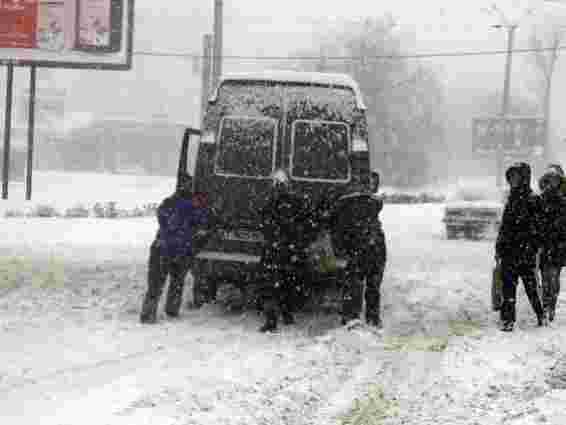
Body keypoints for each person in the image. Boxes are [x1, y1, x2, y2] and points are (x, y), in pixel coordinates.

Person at [140, 174, 217, 324]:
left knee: (155, 284)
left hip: (161, 247)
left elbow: (162, 218)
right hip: (182, 250)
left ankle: (148, 314)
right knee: (177, 282)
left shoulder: (168, 203)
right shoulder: (197, 207)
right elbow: (206, 225)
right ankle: (172, 310)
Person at [257, 169, 314, 332]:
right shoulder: (297, 202)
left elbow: (263, 225)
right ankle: (286, 315)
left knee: (272, 287)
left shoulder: (270, 203)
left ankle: (272, 321)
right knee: (287, 284)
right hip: (289, 251)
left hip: (274, 250)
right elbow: (307, 223)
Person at [330, 167, 387, 328]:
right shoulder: (373, 202)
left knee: (354, 283)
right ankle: (372, 318)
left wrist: (341, 250)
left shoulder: (345, 203)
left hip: (358, 248)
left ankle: (351, 317)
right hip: (375, 246)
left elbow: (338, 229)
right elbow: (376, 203)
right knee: (373, 286)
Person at [495, 162, 545, 332]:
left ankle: (540, 314)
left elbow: (539, 227)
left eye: (516, 177)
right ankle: (508, 320)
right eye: (511, 177)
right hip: (509, 251)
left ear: (524, 178)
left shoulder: (533, 200)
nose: (513, 180)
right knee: (508, 287)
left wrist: (532, 245)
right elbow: (505, 226)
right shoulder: (511, 198)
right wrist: (499, 247)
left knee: (530, 286)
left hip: (525, 252)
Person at [538, 167, 566, 323]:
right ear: (546, 182)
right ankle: (545, 303)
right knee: (545, 278)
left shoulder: (563, 202)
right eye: (550, 180)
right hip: (544, 245)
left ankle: (551, 306)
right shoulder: (540, 200)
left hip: (558, 246)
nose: (552, 183)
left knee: (554, 277)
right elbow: (535, 223)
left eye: (555, 180)